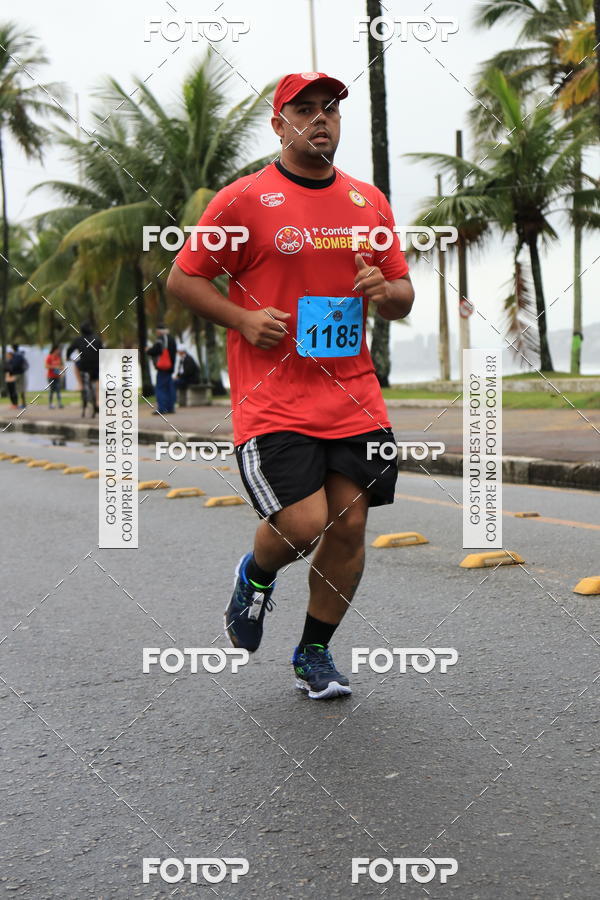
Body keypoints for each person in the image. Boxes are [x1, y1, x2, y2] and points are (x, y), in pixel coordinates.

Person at [167, 71, 414, 700]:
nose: (320, 118)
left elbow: (402, 295)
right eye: (303, 110)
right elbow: (185, 279)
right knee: (303, 525)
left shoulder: (368, 203)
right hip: (274, 397)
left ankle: (313, 654)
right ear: (279, 126)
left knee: (351, 526)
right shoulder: (243, 200)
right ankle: (254, 576)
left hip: (353, 394)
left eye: (329, 109)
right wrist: (244, 319)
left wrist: (385, 293)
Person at [67, 322, 103, 417]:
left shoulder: (78, 339)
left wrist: (68, 357)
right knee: (97, 380)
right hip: (96, 364)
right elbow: (102, 350)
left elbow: (69, 350)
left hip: (84, 364)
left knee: (75, 364)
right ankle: (98, 401)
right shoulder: (97, 338)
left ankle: (80, 384)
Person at [147, 325, 177, 414]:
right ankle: (171, 408)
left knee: (160, 388)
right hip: (170, 367)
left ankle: (162, 409)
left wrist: (148, 350)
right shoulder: (172, 339)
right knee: (169, 388)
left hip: (163, 367)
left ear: (159, 331)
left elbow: (155, 350)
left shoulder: (161, 339)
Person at [45, 344, 64, 408]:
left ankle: (59, 403)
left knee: (58, 390)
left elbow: (61, 366)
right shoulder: (49, 357)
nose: (58, 351)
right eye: (57, 350)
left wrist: (61, 368)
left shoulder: (58, 357)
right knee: (52, 390)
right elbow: (46, 366)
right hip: (50, 376)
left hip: (57, 377)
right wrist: (54, 367)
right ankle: (50, 404)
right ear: (54, 350)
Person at [10, 344, 28, 408]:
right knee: (21, 389)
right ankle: (23, 403)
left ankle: (18, 404)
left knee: (17, 389)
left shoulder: (15, 355)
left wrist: (12, 370)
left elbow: (14, 365)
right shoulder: (20, 354)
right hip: (21, 373)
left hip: (17, 373)